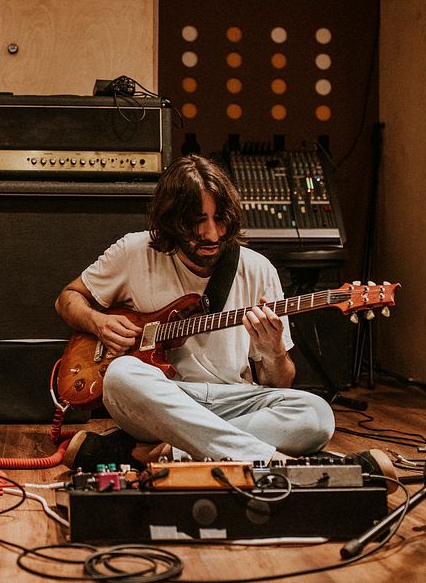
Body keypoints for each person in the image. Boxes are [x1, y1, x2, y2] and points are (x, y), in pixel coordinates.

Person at [56, 154, 336, 470]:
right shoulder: (134, 252)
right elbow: (68, 298)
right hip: (163, 401)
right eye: (197, 222)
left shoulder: (259, 270)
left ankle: (162, 451)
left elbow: (279, 384)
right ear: (170, 221)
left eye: (220, 219)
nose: (213, 234)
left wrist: (273, 353)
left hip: (234, 400)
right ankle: (242, 450)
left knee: (317, 415)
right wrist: (98, 321)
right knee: (121, 375)